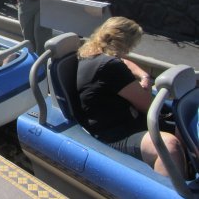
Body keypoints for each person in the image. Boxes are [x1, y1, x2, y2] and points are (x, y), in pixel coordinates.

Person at [77, 16, 187, 177]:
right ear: (125, 42)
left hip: (120, 120)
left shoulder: (92, 53)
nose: (130, 49)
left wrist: (143, 75)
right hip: (115, 133)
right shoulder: (111, 67)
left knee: (183, 127)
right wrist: (147, 85)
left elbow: (125, 62)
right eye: (132, 44)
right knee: (169, 146)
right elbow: (148, 107)